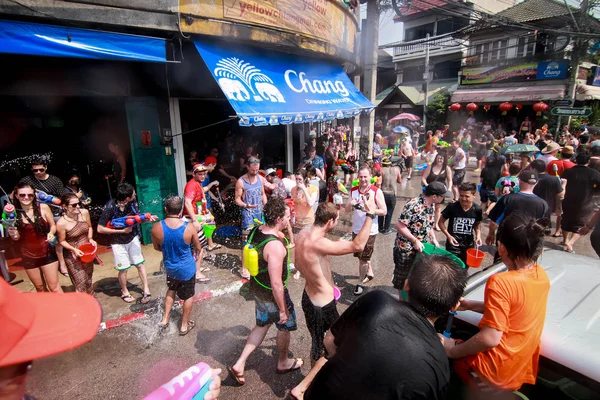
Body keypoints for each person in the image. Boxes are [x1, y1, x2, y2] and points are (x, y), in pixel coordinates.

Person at [304, 255, 468, 400]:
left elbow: (330, 341)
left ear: (406, 286)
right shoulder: (440, 368)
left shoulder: (376, 301)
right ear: (453, 307)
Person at [440, 213, 550, 395]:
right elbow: (516, 309)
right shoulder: (541, 275)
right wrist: (470, 305)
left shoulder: (501, 281)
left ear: (501, 248)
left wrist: (453, 350)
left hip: (491, 373)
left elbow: (491, 338)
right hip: (518, 367)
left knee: (439, 341)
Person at [290, 202, 374, 399]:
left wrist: (322, 281)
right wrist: (370, 215)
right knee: (332, 345)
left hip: (308, 297)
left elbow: (297, 263)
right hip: (322, 306)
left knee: (318, 343)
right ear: (330, 221)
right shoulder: (319, 243)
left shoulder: (303, 234)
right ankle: (304, 388)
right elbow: (358, 245)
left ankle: (312, 384)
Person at [227, 198, 303, 386]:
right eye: (286, 216)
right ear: (278, 218)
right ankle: (283, 362)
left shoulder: (256, 230)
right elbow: (277, 283)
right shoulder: (275, 246)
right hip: (271, 294)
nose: (289, 218)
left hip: (258, 289)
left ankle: (239, 364)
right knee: (284, 326)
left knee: (262, 325)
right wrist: (283, 310)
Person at [152, 195, 201, 335]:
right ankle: (184, 325)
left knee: (171, 289)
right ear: (180, 211)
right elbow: (197, 247)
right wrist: (195, 256)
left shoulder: (157, 227)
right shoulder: (189, 227)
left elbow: (156, 247)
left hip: (170, 267)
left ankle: (165, 319)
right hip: (187, 269)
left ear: (166, 209)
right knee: (188, 295)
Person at [97, 183, 153, 304]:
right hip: (117, 242)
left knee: (140, 264)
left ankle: (146, 289)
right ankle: (124, 291)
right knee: (124, 269)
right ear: (126, 197)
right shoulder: (110, 206)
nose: (135, 195)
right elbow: (100, 229)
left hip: (132, 238)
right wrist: (121, 230)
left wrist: (146, 217)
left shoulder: (132, 203)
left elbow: (137, 217)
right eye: (133, 194)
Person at [392, 182, 448, 295]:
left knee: (414, 276)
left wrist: (433, 238)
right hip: (406, 248)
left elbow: (428, 224)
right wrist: (414, 240)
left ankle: (409, 298)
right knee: (402, 278)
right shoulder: (413, 205)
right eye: (442, 196)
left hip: (421, 247)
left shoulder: (431, 205)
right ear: (434, 196)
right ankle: (401, 302)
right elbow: (400, 225)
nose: (444, 198)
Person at [7, 183, 62, 293]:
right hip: (28, 255)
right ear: (17, 196)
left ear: (34, 195)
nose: (26, 197)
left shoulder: (43, 207)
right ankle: (46, 309)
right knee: (40, 288)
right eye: (22, 195)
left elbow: (53, 225)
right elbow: (16, 238)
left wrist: (51, 233)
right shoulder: (13, 213)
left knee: (54, 287)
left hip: (46, 252)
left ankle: (66, 310)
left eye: (30, 195)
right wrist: (13, 234)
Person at [19, 158, 69, 276]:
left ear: (46, 167)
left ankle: (61, 263)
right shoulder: (27, 180)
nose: (38, 173)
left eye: (41, 169)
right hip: (34, 212)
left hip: (54, 211)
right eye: (35, 170)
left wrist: (51, 199)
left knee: (58, 237)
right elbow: (16, 193)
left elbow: (62, 198)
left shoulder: (54, 180)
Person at [345, 165, 387, 295]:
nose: (363, 179)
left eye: (365, 176)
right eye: (361, 176)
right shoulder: (353, 191)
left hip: (370, 230)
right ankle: (369, 271)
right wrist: (349, 204)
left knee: (363, 259)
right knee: (360, 255)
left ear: (370, 177)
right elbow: (346, 210)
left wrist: (369, 210)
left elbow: (384, 211)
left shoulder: (376, 191)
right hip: (357, 229)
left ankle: (359, 283)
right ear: (358, 177)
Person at [486, 170, 549, 249]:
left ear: (519, 181)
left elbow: (494, 223)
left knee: (502, 260)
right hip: (528, 244)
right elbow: (541, 227)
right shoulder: (543, 204)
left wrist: (491, 234)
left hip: (507, 241)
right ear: (536, 183)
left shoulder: (507, 199)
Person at [560, 150, 600, 253]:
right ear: (588, 161)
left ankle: (565, 240)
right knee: (582, 223)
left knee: (566, 220)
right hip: (586, 202)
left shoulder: (568, 171)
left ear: (576, 160)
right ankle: (571, 242)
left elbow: (561, 183)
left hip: (568, 200)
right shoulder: (594, 173)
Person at [56, 193, 96, 295]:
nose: (78, 206)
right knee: (80, 282)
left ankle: (91, 301)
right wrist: (74, 250)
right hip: (73, 254)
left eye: (78, 204)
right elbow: (61, 241)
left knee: (88, 278)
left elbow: (90, 227)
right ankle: (82, 306)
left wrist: (90, 238)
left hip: (87, 252)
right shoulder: (61, 223)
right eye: (74, 205)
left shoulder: (84, 213)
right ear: (64, 206)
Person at [235, 156, 267, 279]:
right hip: (247, 215)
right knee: (246, 242)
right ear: (247, 167)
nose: (255, 172)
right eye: (253, 170)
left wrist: (266, 205)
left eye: (257, 170)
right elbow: (237, 199)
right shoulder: (241, 181)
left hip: (259, 214)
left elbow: (263, 194)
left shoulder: (260, 178)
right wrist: (245, 205)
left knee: (258, 239)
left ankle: (257, 263)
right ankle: (243, 268)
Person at [439, 182, 483, 264]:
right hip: (453, 243)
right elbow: (440, 222)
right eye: (461, 195)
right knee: (452, 266)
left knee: (466, 266)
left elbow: (477, 224)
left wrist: (478, 235)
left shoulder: (477, 209)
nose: (463, 198)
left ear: (474, 196)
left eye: (467, 196)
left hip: (468, 244)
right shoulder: (452, 207)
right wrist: (448, 236)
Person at [182, 164, 211, 282]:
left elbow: (197, 200)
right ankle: (197, 273)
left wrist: (205, 210)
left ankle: (197, 267)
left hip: (196, 219)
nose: (203, 176)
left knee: (198, 246)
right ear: (194, 174)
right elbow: (187, 203)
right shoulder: (191, 185)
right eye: (200, 174)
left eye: (204, 174)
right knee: (200, 247)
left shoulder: (197, 184)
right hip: (191, 221)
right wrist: (194, 221)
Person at [422, 152, 453, 231]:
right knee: (426, 206)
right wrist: (427, 186)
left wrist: (449, 189)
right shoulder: (430, 166)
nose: (439, 160)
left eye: (441, 158)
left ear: (444, 160)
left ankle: (436, 224)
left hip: (440, 191)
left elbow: (450, 180)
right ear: (436, 158)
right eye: (438, 158)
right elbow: (423, 178)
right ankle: (425, 222)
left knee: (438, 208)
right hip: (430, 190)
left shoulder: (447, 168)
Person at [378, 157, 402, 235]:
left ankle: (380, 227)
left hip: (383, 193)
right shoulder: (397, 170)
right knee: (389, 212)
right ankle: (386, 229)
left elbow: (379, 183)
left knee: (381, 211)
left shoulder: (381, 170)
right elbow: (399, 181)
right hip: (392, 194)